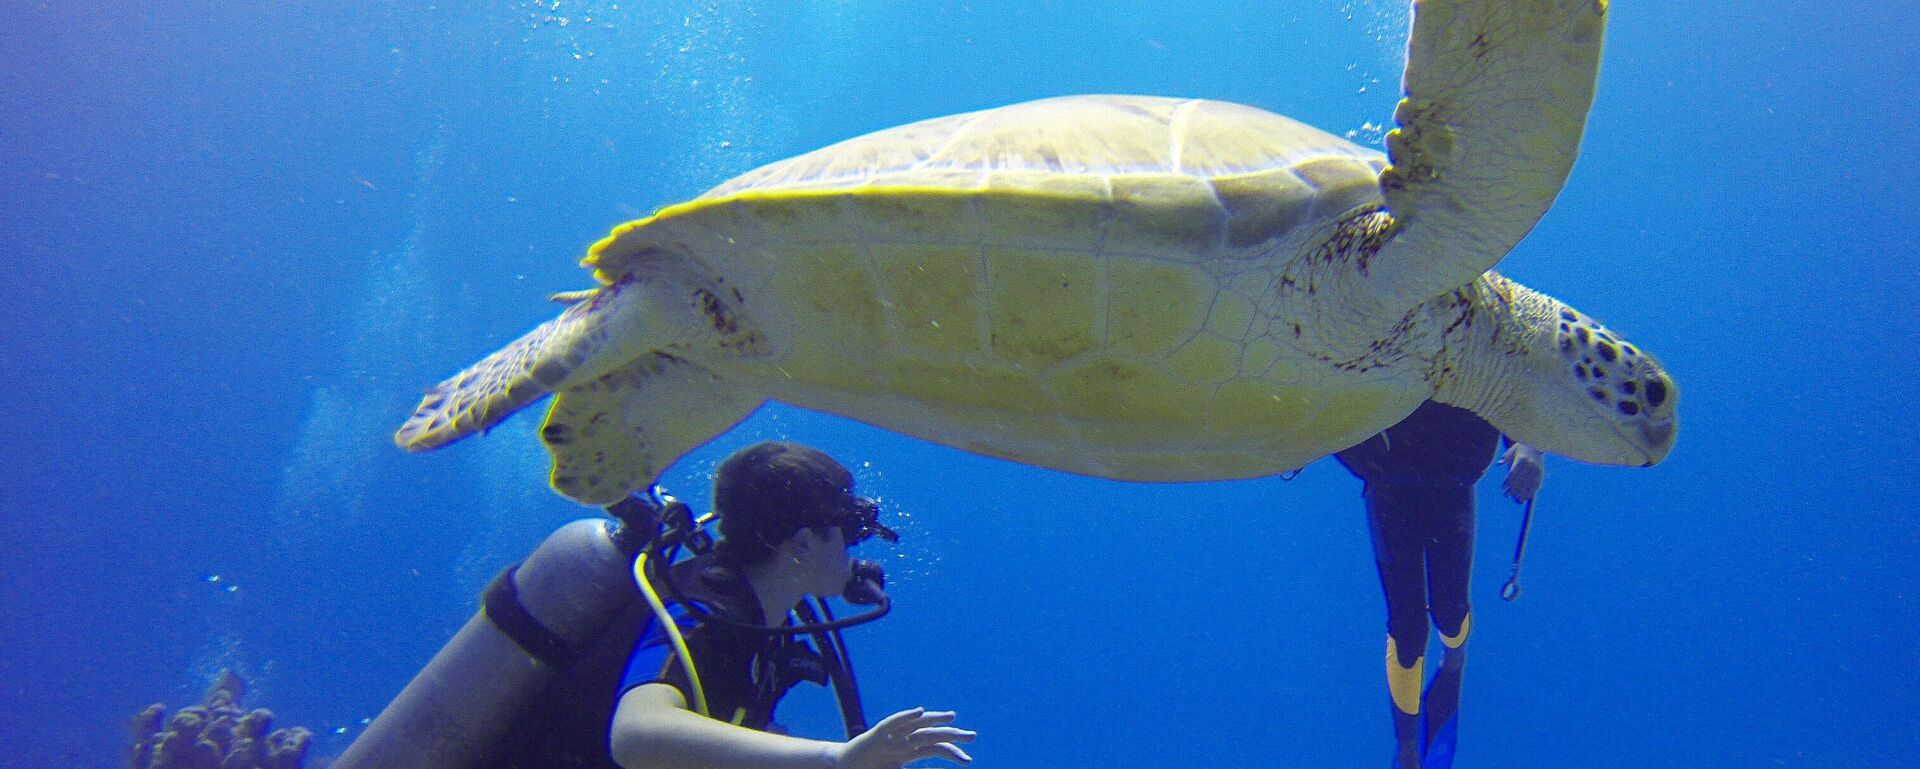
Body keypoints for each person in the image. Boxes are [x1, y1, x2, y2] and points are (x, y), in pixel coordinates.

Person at [608, 441, 977, 769]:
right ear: (802, 543)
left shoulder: (773, 618)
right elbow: (634, 735)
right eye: (845, 533)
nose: (851, 553)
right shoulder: (708, 613)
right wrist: (834, 759)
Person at [1335, 401, 1545, 769]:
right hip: (1390, 476)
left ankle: (1454, 660)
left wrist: (1529, 445)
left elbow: (1511, 371)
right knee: (1408, 627)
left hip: (1445, 473)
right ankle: (1406, 749)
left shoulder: (1476, 346)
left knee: (1449, 611)